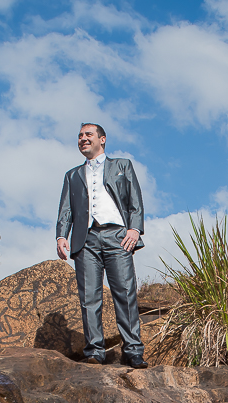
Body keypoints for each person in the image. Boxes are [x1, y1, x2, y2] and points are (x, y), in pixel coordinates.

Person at [56, 123, 147, 368]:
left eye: (88, 135)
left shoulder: (122, 165)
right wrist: (61, 236)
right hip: (85, 239)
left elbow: (135, 200)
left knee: (125, 293)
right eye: (80, 136)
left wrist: (134, 228)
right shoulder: (72, 175)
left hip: (118, 236)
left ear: (102, 139)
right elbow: (66, 209)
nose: (83, 139)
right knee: (89, 296)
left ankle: (133, 350)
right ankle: (95, 350)